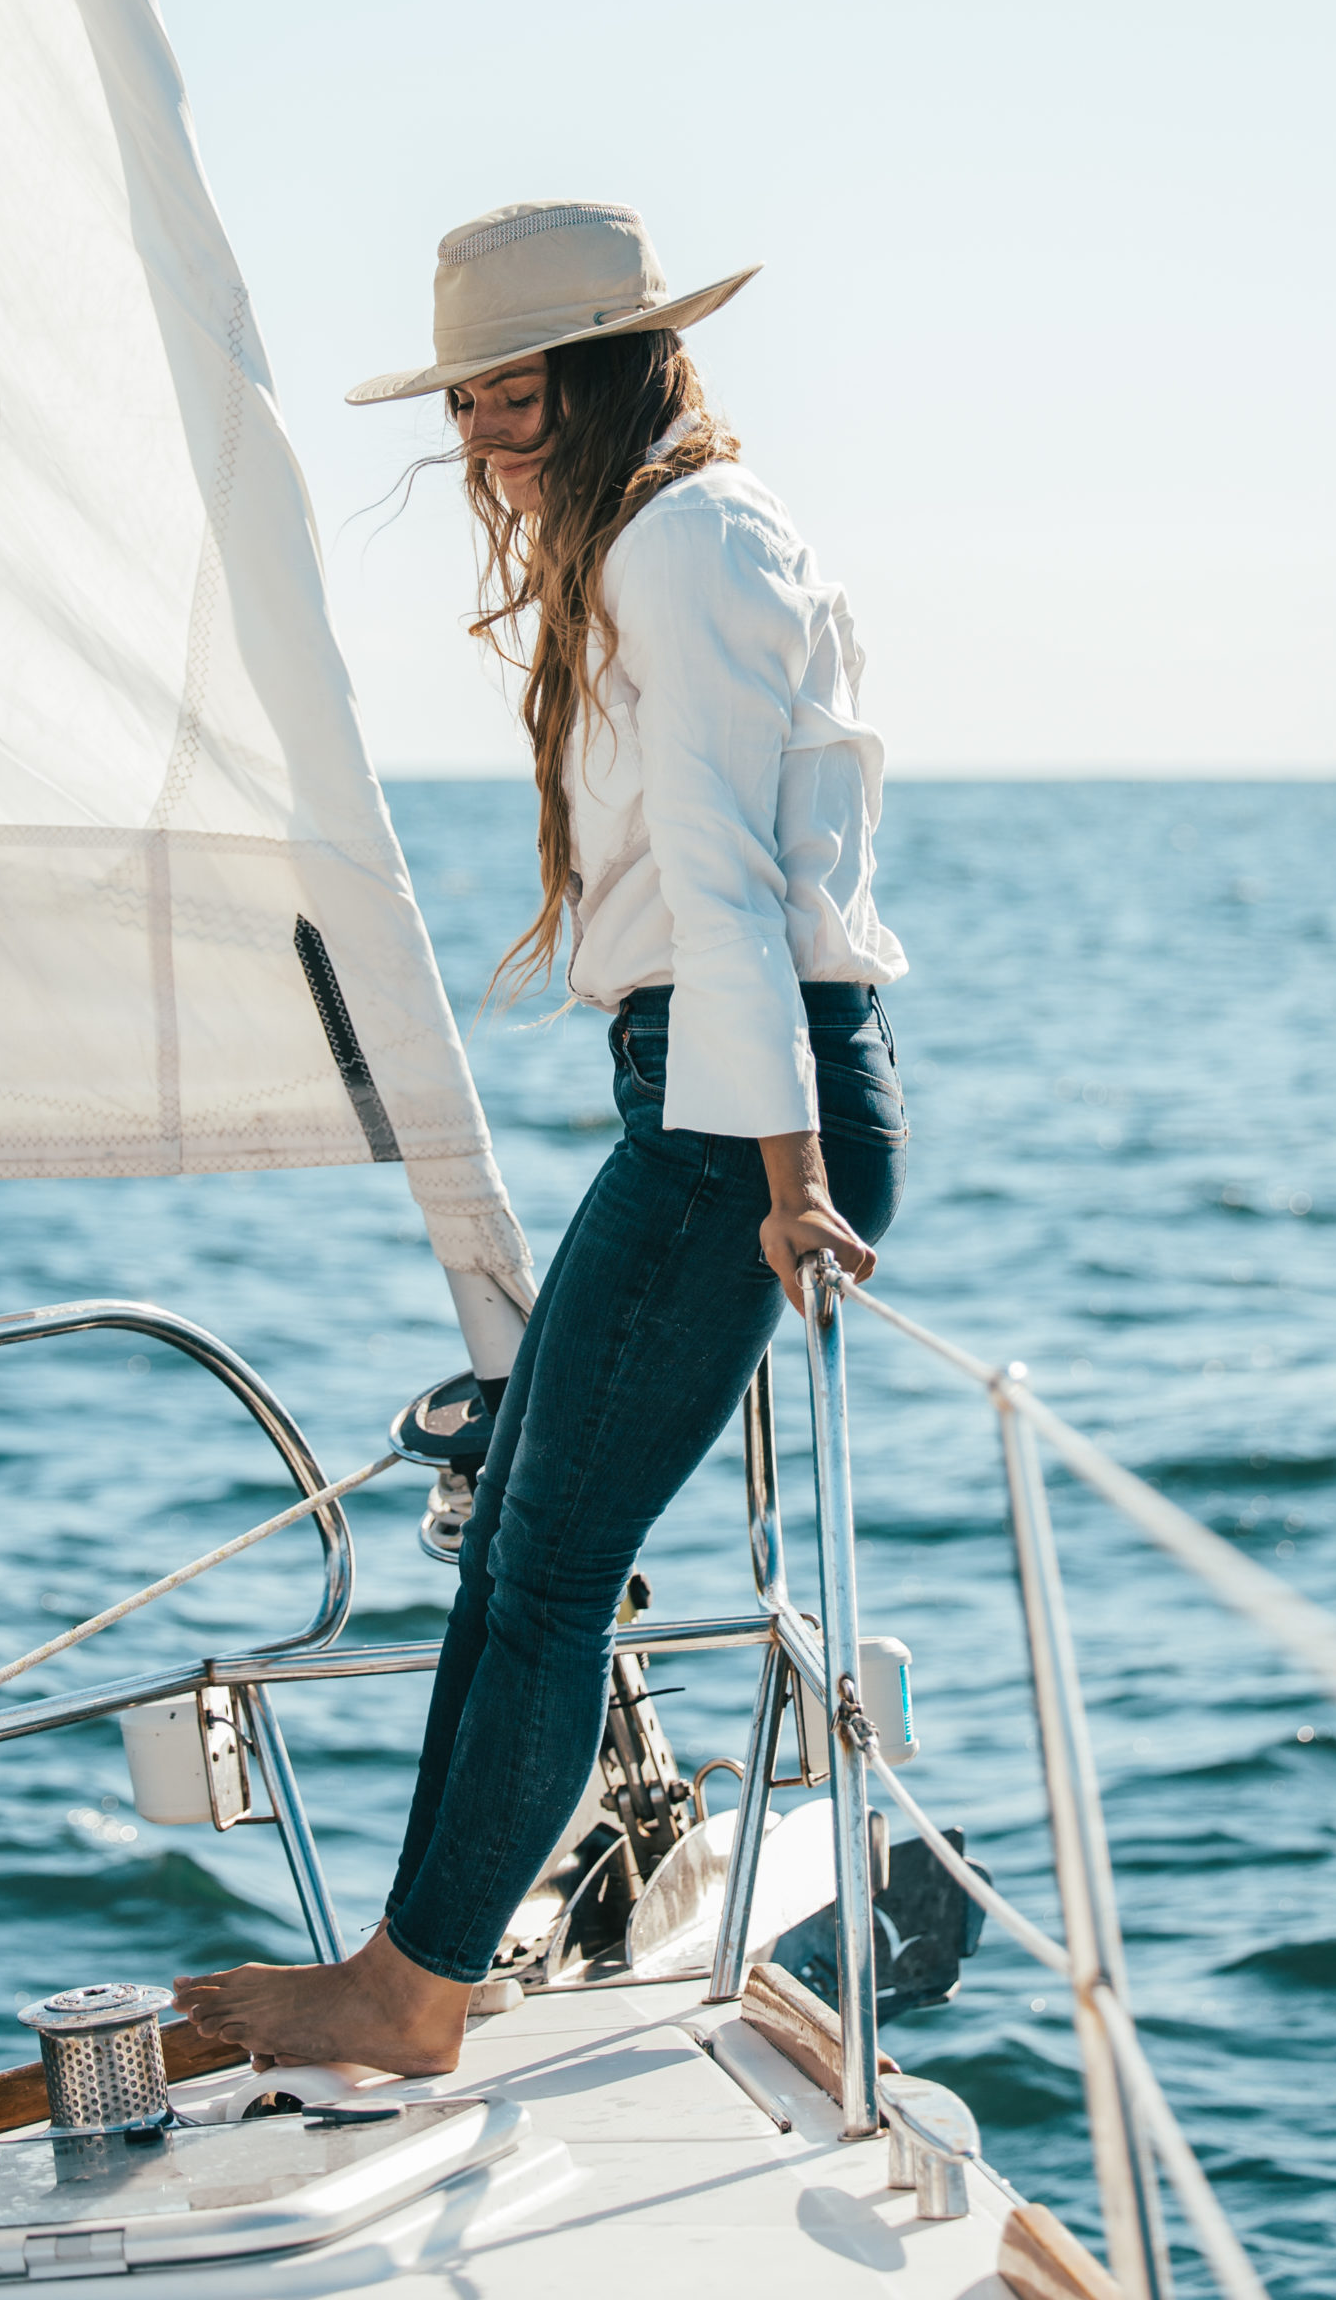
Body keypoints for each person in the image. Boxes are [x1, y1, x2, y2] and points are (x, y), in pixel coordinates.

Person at [176, 200, 906, 2074]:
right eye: (471, 402)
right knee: (517, 1540)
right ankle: (408, 1959)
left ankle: (412, 1996)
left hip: (750, 1110)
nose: (490, 434)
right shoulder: (659, 539)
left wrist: (790, 1178)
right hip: (710, 1092)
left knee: (552, 1561)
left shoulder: (687, 543)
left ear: (608, 373)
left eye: (518, 394)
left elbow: (738, 886)